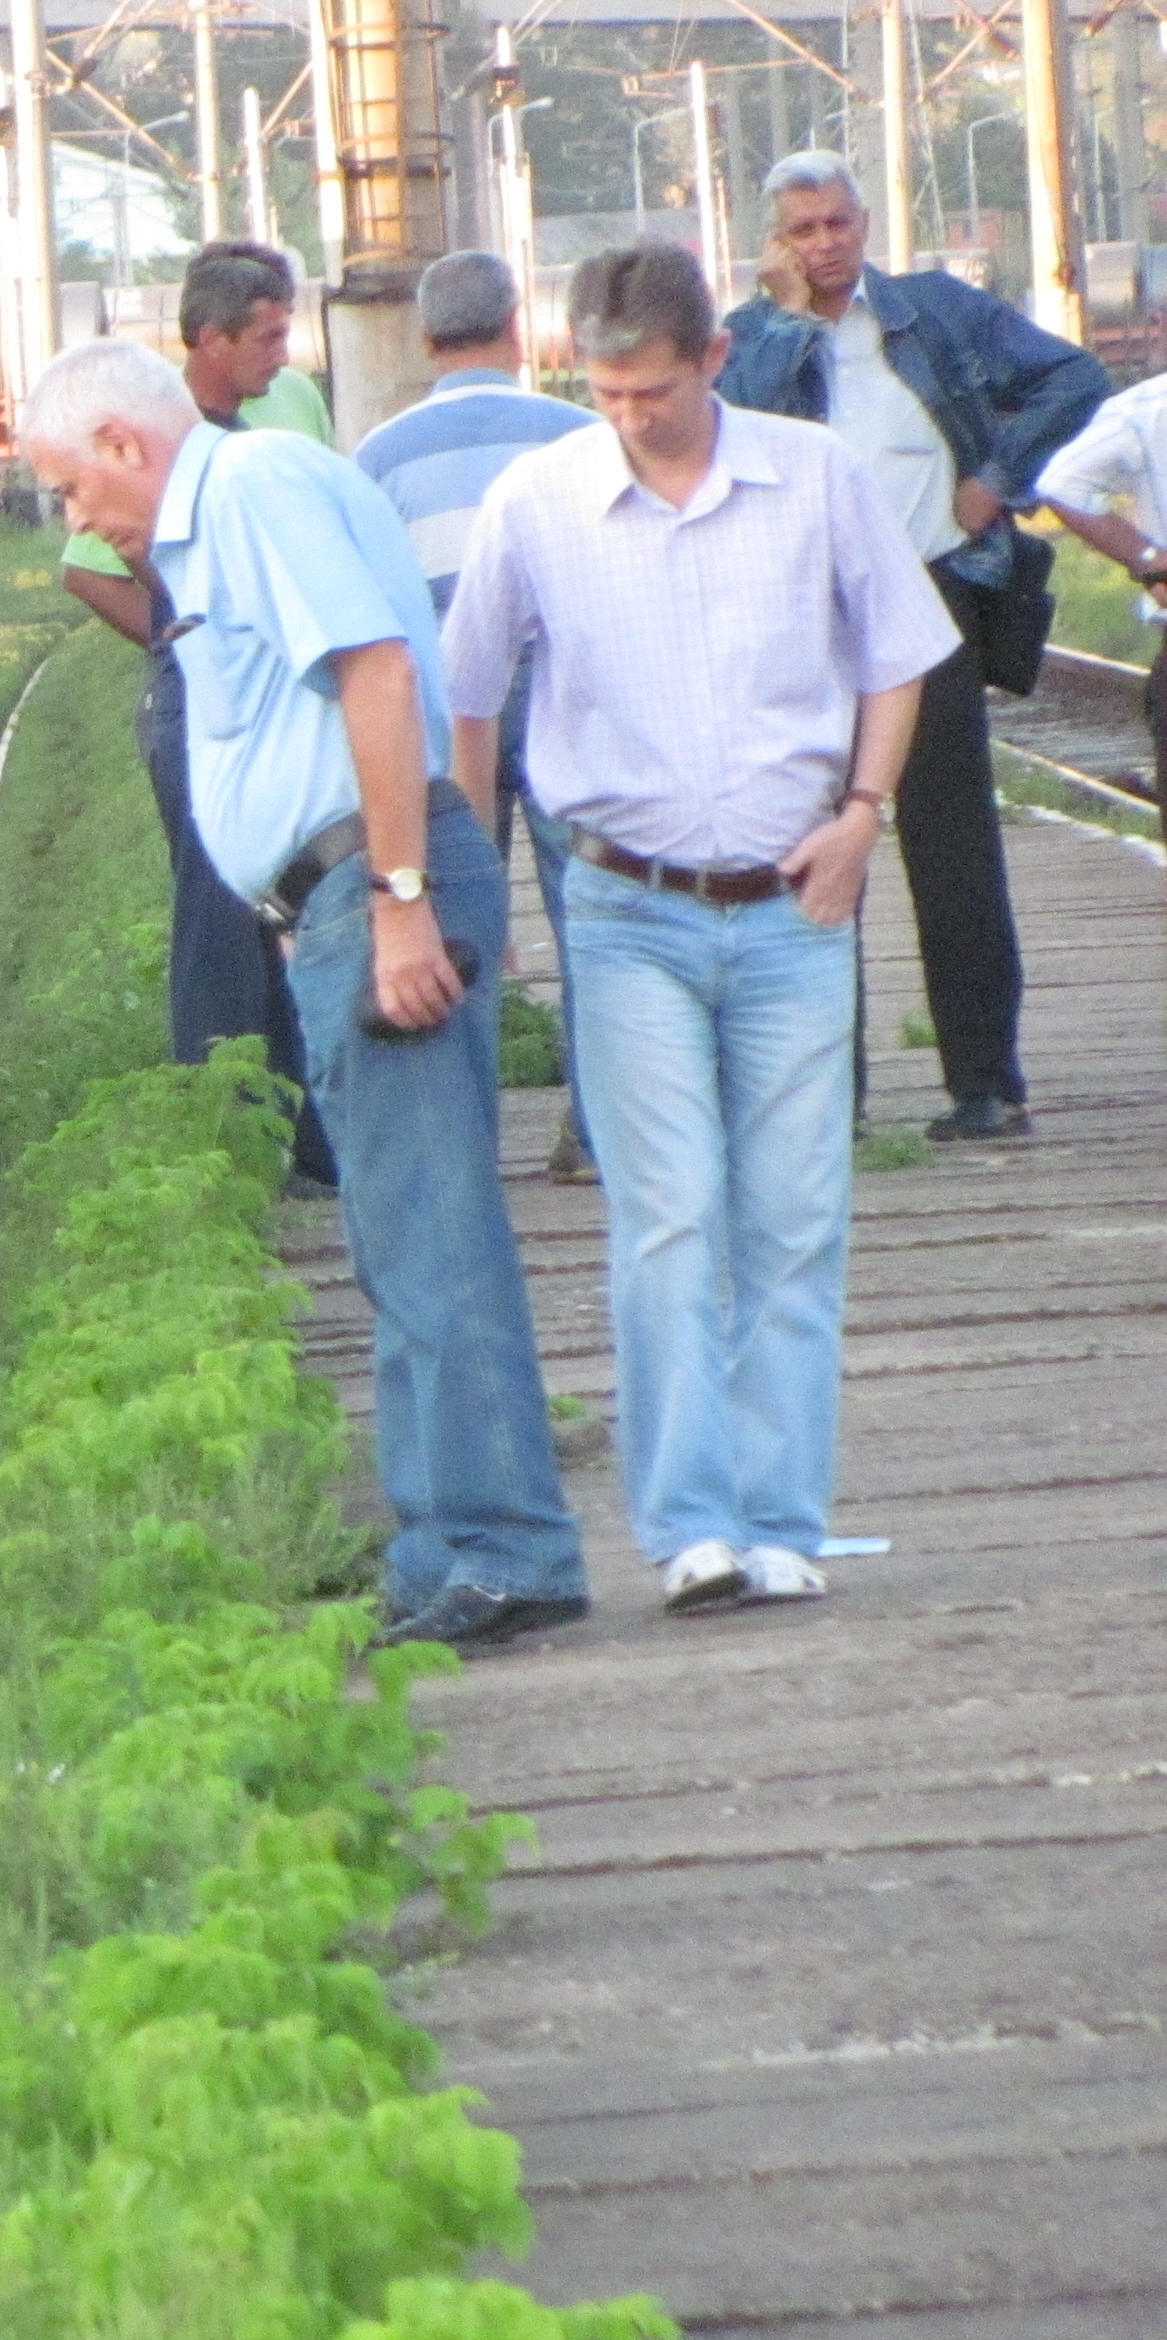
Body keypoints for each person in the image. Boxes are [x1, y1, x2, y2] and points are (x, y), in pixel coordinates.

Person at [22, 336, 587, 1651]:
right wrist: (303, 918)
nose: (76, 520)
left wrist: (395, 901)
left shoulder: (258, 485)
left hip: (380, 885)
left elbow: (380, 671)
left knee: (435, 1231)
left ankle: (507, 1547)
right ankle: (442, 1543)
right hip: (338, 902)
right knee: (395, 1242)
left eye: (66, 487)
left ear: (122, 445)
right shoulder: (215, 527)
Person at [444, 245, 952, 1617]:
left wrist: (864, 814)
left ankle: (785, 1517)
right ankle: (690, 1528)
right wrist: (465, 871)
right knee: (667, 1216)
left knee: (795, 1217)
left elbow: (900, 650)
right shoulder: (537, 500)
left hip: (796, 900)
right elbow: (471, 688)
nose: (627, 418)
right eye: (603, 392)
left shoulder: (814, 477)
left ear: (714, 360)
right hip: (621, 908)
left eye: (652, 391)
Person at [716, 150, 1107, 1142]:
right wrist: (787, 316)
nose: (825, 244)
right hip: (807, 613)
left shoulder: (934, 310)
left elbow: (1075, 374)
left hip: (932, 597)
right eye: (802, 229)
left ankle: (983, 1084)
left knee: (952, 842)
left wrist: (998, 479)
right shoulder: (754, 335)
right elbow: (736, 434)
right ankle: (823, 1096)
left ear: (863, 222)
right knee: (806, 841)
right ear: (777, 241)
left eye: (837, 223)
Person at [57, 239, 338, 1190]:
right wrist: (185, 637)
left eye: (285, 329)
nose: (282, 352)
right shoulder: (148, 437)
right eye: (265, 335)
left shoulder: (290, 409)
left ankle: (305, 1130)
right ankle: (224, 1135)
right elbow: (82, 568)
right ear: (207, 341)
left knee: (292, 902)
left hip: (288, 677)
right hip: (202, 691)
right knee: (219, 910)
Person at [351, 249, 602, 1183]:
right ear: (516, 328)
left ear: (424, 339)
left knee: (450, 912)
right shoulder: (578, 435)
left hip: (434, 702)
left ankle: (462, 1138)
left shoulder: (378, 457)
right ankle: (598, 1128)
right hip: (561, 694)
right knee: (591, 914)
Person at [1022, 361, 1167, 775]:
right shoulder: (1147, 408)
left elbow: (1063, 482)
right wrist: (1148, 560)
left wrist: (1146, 560)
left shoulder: (1147, 407)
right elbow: (1061, 484)